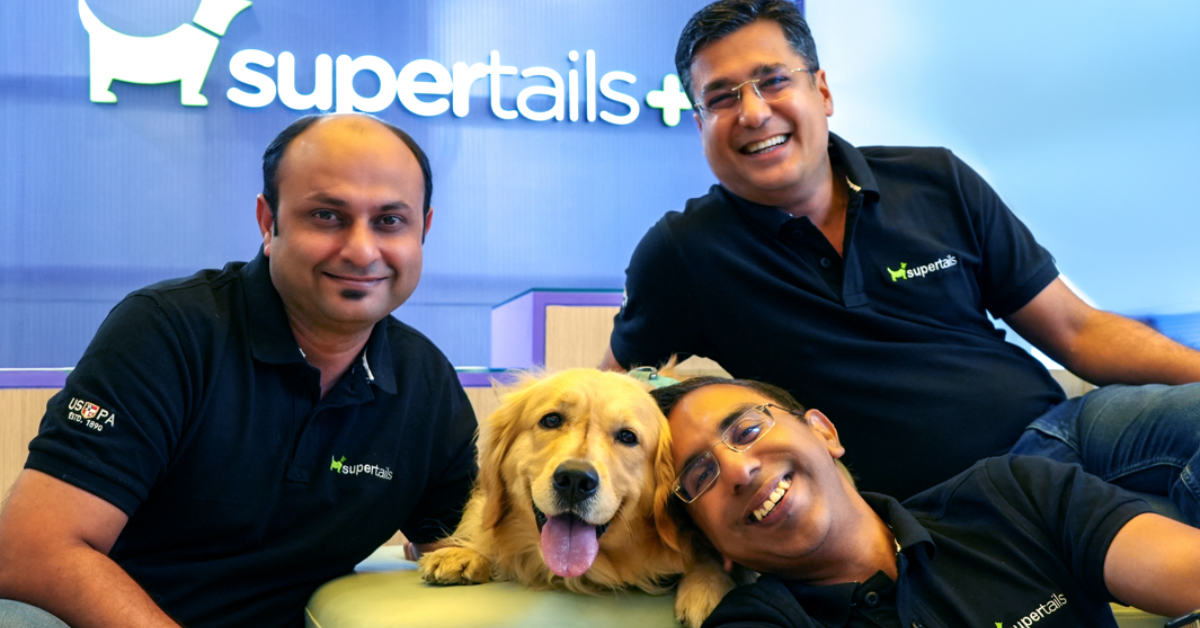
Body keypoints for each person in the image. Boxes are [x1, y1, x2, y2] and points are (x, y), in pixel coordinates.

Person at [603, 0, 1200, 514]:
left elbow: (1077, 330)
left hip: (1065, 434)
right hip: (942, 512)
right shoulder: (682, 252)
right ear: (700, 125)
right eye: (722, 97)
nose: (754, 112)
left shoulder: (935, 178)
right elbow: (608, 401)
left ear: (822, 91)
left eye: (774, 81)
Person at [0, 113, 477, 628]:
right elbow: (32, 551)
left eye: (389, 221)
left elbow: (465, 545)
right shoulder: (169, 331)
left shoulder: (425, 381)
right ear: (268, 222)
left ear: (423, 230)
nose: (362, 251)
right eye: (327, 216)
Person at [651, 376, 1200, 627]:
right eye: (700, 476)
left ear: (823, 431)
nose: (739, 469)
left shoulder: (1013, 495)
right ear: (710, 542)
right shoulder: (756, 622)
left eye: (747, 430)